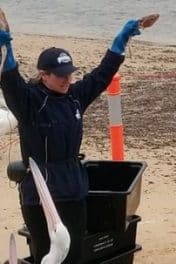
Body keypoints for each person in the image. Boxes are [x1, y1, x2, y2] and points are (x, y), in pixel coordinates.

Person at [0, 14, 145, 263]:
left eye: (69, 74)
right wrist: (5, 46)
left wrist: (122, 40)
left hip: (74, 189)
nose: (68, 80)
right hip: (41, 194)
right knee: (47, 256)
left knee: (75, 255)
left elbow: (102, 75)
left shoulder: (74, 96)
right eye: (60, 75)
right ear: (44, 75)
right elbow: (10, 79)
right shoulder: (29, 101)